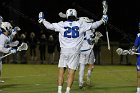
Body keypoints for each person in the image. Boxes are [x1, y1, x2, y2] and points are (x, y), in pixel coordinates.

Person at [38, 8, 108, 93]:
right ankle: (67, 91)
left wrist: (42, 20)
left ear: (67, 15)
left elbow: (48, 26)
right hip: (75, 52)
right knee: (71, 73)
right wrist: (102, 20)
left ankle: (59, 91)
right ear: (75, 15)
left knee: (61, 72)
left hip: (64, 51)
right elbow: (94, 25)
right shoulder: (80, 24)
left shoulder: (61, 24)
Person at [78, 17, 103, 88]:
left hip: (81, 50)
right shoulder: (88, 30)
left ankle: (80, 82)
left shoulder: (79, 29)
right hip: (89, 50)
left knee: (82, 66)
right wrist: (97, 37)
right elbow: (91, 42)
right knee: (91, 65)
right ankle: (88, 78)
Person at [130, 22, 140, 93]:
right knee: (139, 75)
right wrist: (133, 50)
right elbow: (135, 46)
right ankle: (138, 90)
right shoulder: (139, 35)